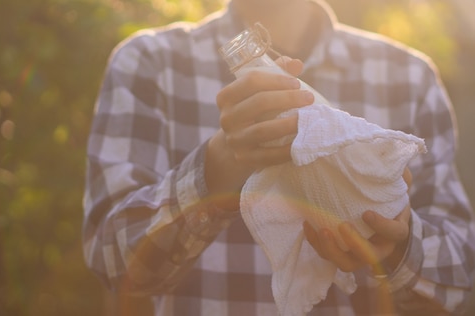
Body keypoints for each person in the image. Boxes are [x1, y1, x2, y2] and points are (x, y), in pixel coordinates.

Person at [82, 0, 475, 314]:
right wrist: (216, 168)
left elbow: (464, 280)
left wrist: (401, 249)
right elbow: (111, 260)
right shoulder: (149, 64)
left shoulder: (408, 77)